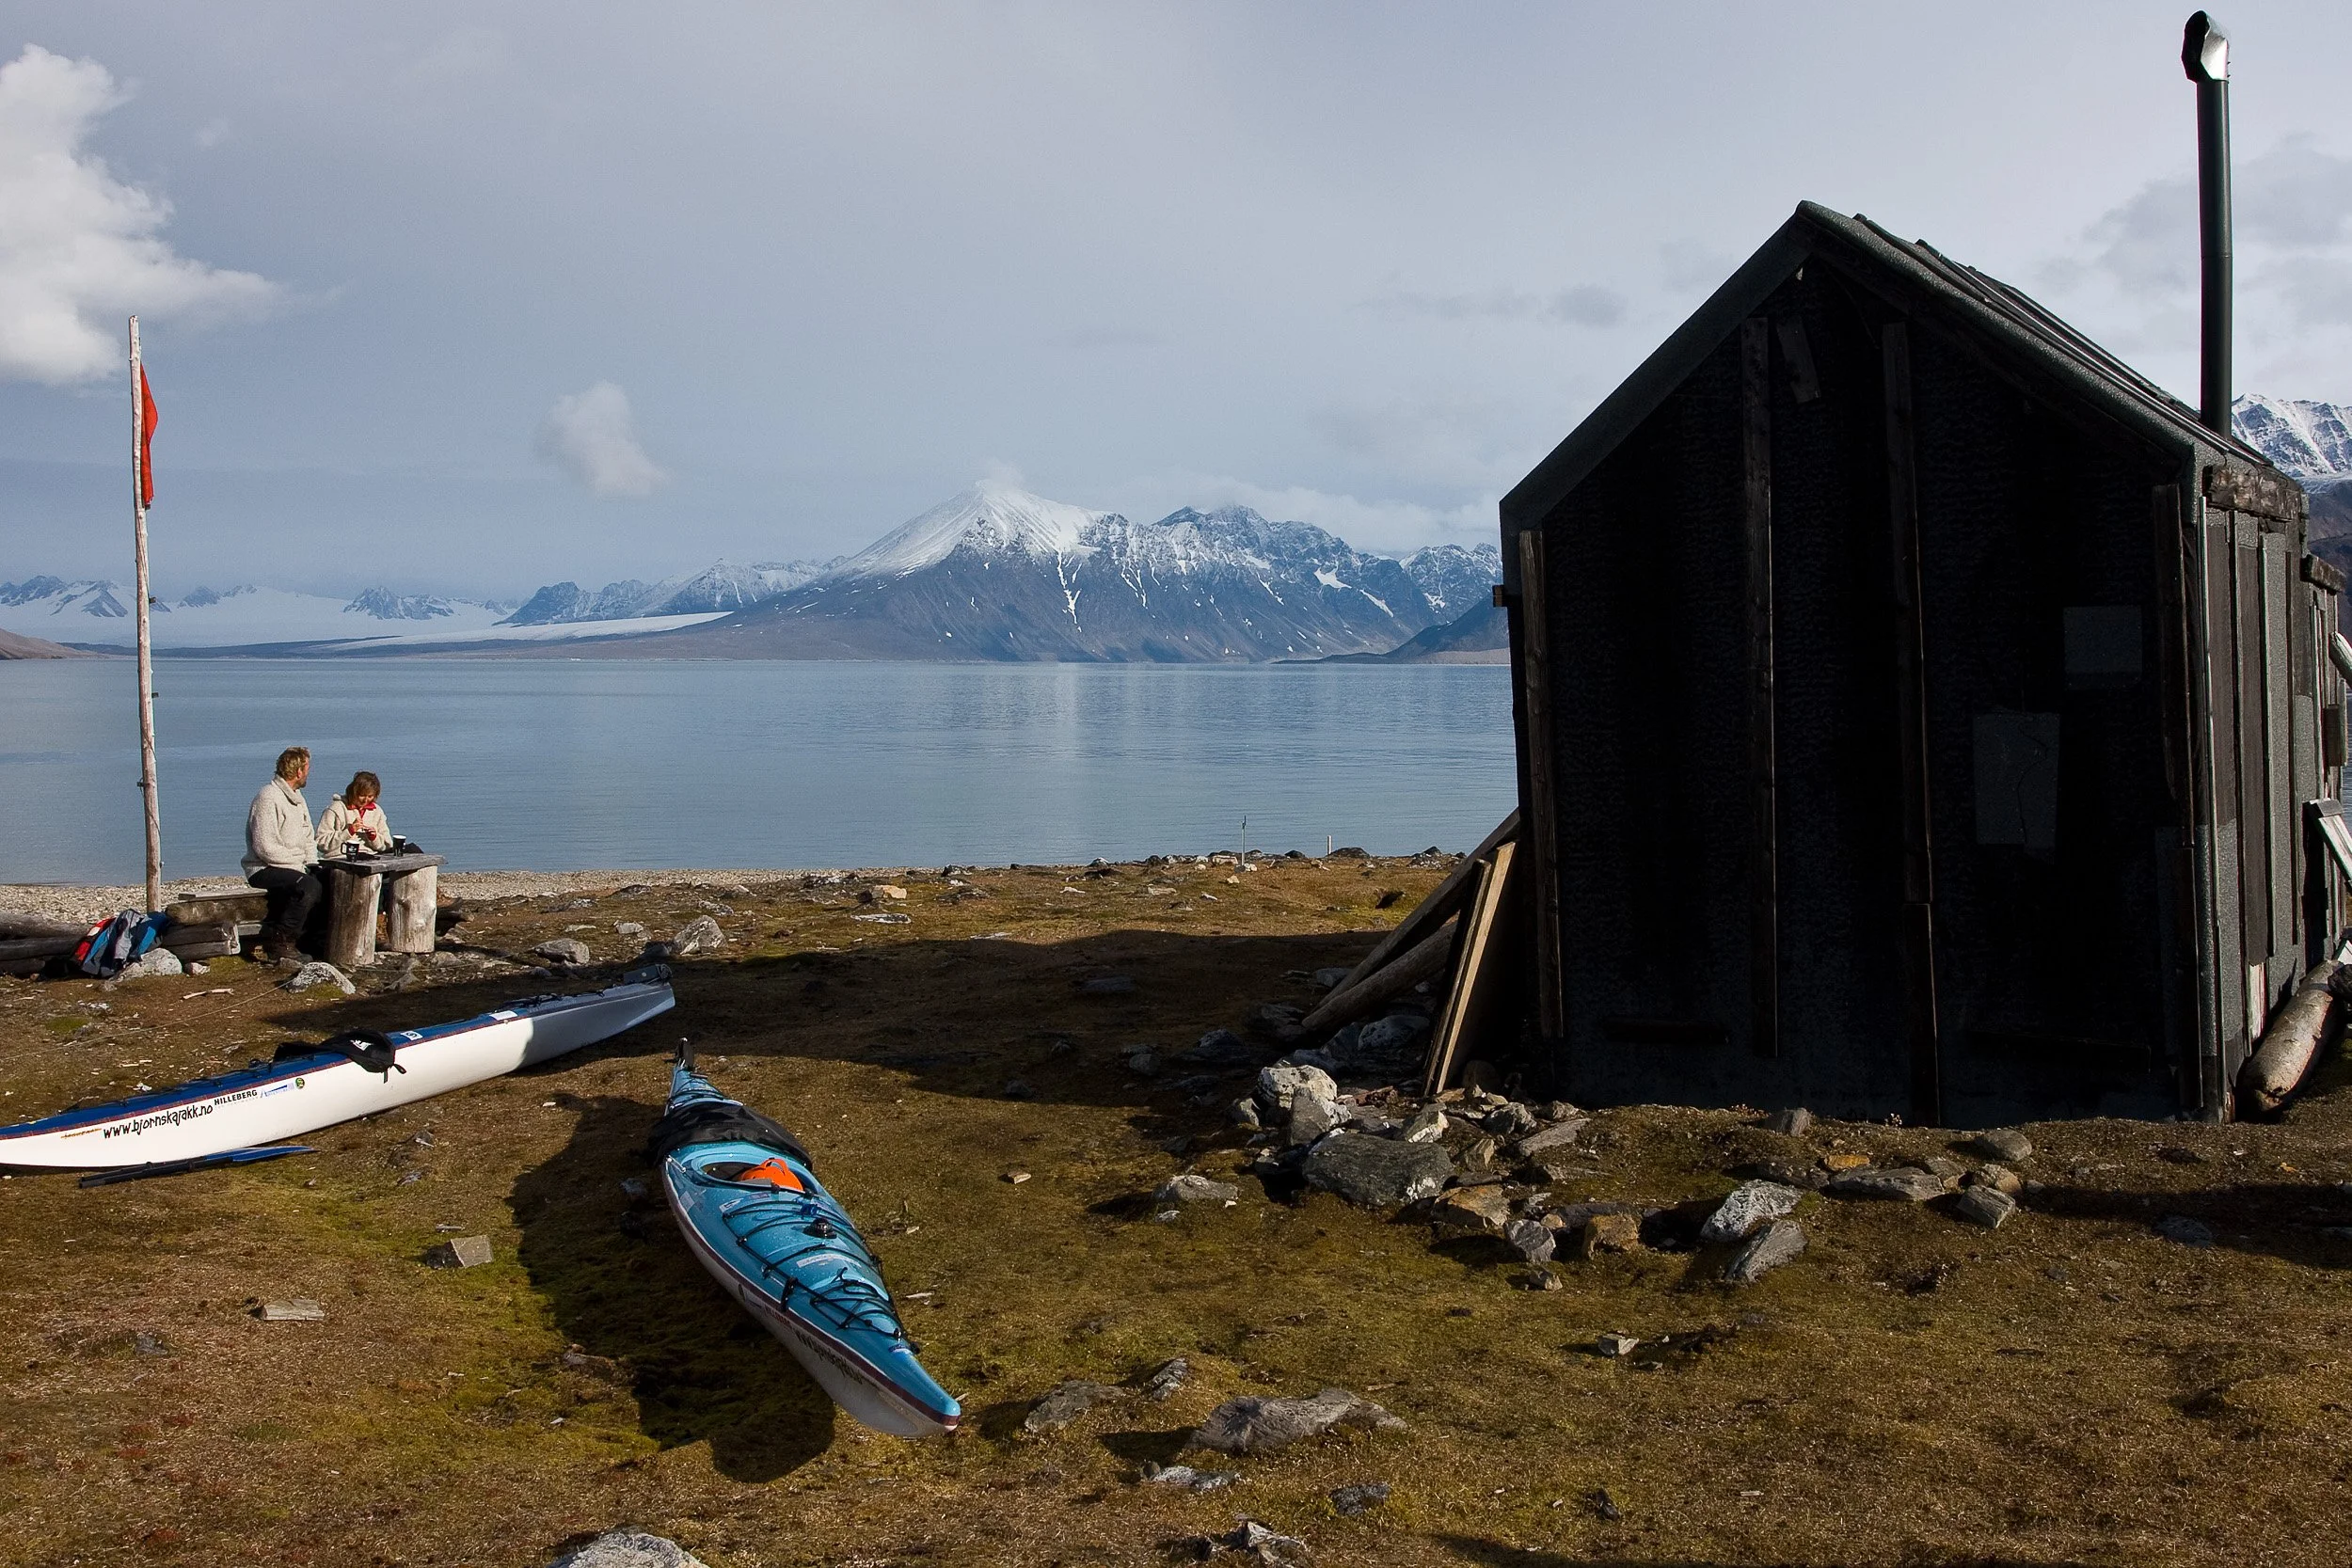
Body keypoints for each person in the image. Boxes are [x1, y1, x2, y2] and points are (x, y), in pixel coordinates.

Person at [244, 746, 320, 962]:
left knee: (326, 879)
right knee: (307, 886)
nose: (308, 774)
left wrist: (312, 862)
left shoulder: (298, 798)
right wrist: (298, 864)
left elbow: (308, 836)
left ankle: (312, 939)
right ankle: (280, 942)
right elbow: (264, 847)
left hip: (293, 865)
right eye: (307, 769)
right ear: (298, 772)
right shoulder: (268, 797)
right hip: (263, 868)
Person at [317, 771, 393, 859]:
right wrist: (348, 832)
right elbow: (321, 843)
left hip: (369, 858)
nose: (365, 800)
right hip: (340, 858)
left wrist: (374, 838)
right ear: (354, 792)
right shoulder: (335, 809)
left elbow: (387, 845)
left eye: (370, 796)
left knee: (410, 872)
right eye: (362, 795)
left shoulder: (377, 811)